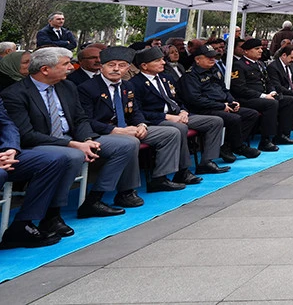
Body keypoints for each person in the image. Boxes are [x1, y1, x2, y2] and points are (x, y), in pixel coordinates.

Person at [0, 47, 140, 218]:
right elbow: (27, 135)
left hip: (74, 138)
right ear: (45, 69)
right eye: (66, 64)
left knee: (126, 144)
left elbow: (80, 119)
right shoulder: (15, 93)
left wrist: (87, 139)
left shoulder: (67, 86)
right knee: (73, 155)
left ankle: (94, 199)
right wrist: (72, 144)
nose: (71, 67)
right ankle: (52, 215)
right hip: (42, 143)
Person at [77, 47, 190, 193]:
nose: (116, 69)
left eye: (122, 65)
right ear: (101, 67)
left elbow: (135, 111)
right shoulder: (87, 88)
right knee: (131, 142)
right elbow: (86, 120)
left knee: (170, 133)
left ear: (128, 68)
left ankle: (160, 179)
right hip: (103, 131)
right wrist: (115, 130)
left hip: (128, 127)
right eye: (111, 65)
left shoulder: (127, 85)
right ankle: (127, 191)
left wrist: (141, 124)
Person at [129, 46, 228, 175]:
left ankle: (207, 162)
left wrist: (183, 111)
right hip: (158, 119)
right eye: (158, 60)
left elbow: (178, 99)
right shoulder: (135, 83)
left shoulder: (165, 78)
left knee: (215, 121)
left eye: (162, 59)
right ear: (144, 65)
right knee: (180, 128)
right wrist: (167, 117)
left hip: (178, 114)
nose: (163, 63)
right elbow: (138, 111)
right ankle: (183, 171)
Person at [0, 93, 80, 249]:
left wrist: (10, 148)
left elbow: (7, 124)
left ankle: (22, 225)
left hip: (4, 155)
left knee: (52, 160)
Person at [178, 45, 261, 161]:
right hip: (204, 109)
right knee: (234, 119)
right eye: (208, 57)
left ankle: (228, 146)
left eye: (213, 57)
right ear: (197, 59)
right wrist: (222, 106)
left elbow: (224, 89)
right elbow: (195, 100)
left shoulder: (214, 70)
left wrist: (232, 101)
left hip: (222, 105)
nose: (212, 59)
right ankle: (238, 147)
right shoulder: (190, 76)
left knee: (251, 114)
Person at [231, 38, 293, 151]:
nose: (261, 51)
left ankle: (282, 134)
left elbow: (268, 82)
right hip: (247, 98)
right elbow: (239, 89)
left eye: (261, 48)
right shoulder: (239, 65)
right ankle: (265, 140)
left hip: (264, 96)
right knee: (271, 104)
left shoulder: (260, 64)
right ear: (246, 51)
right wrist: (263, 96)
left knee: (289, 100)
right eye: (257, 49)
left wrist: (272, 91)